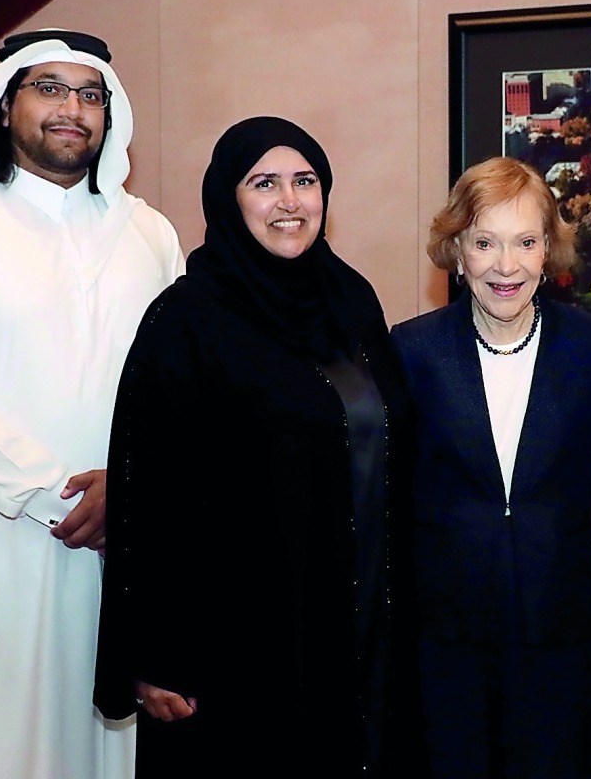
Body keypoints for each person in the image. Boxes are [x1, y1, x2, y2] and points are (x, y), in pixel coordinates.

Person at [0, 30, 184, 779]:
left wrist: (131, 489)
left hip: (124, 544)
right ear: (5, 104)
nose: (71, 109)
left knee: (110, 750)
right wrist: (60, 496)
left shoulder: (151, 235)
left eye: (90, 95)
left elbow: (183, 390)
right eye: (49, 87)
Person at [93, 116, 421, 777]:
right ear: (228, 197)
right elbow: (148, 492)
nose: (290, 200)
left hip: (352, 618)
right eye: (264, 182)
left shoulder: (351, 300)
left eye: (305, 181)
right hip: (234, 638)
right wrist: (153, 653)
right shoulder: (185, 319)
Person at [391, 156, 591, 778]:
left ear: (548, 249)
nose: (506, 266)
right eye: (485, 243)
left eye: (526, 242)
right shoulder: (410, 351)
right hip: (444, 629)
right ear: (456, 250)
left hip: (562, 627)